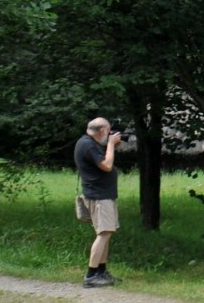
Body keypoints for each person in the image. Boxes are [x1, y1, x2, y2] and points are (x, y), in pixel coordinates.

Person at [75, 117, 122, 288]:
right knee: (103, 234)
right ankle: (90, 275)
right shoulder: (87, 145)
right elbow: (107, 165)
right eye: (108, 131)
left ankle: (101, 272)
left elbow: (103, 159)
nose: (110, 134)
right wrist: (110, 145)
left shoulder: (90, 143)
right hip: (99, 197)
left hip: (103, 195)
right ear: (102, 131)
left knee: (106, 233)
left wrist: (111, 146)